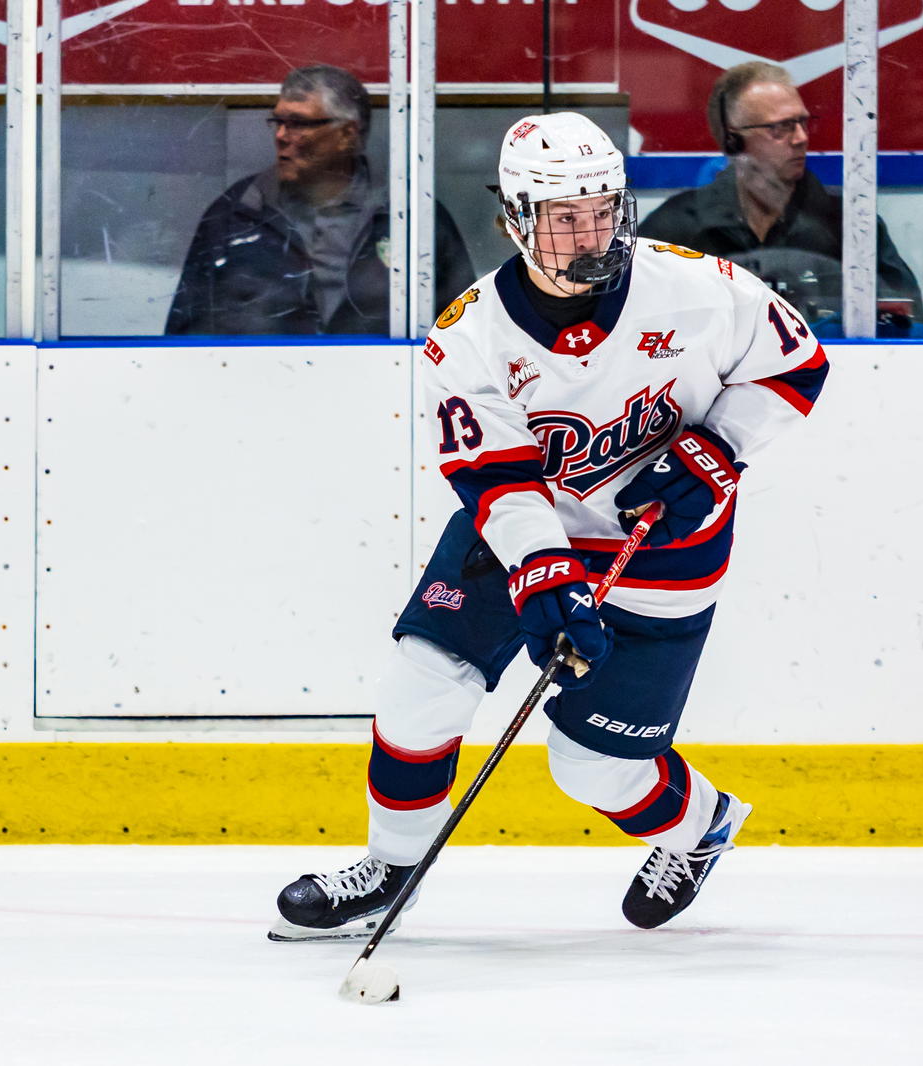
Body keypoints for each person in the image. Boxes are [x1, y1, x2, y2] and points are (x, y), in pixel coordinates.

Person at [269, 112, 828, 939]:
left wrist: (715, 452)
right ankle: (392, 868)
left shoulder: (702, 289)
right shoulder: (469, 337)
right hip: (520, 534)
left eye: (603, 209)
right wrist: (543, 573)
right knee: (422, 683)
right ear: (516, 221)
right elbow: (498, 479)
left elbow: (796, 364)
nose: (590, 232)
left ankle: (701, 825)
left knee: (595, 769)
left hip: (667, 551)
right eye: (565, 217)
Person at [166, 65, 474, 335]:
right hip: (257, 391)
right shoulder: (235, 213)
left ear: (347, 135)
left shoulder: (409, 217)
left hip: (384, 394)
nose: (282, 135)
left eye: (298, 123)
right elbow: (183, 335)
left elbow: (465, 329)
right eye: (278, 121)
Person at [639, 61, 923, 328]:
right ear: (733, 139)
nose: (801, 138)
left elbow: (910, 325)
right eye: (781, 128)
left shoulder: (851, 225)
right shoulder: (673, 228)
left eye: (802, 122)